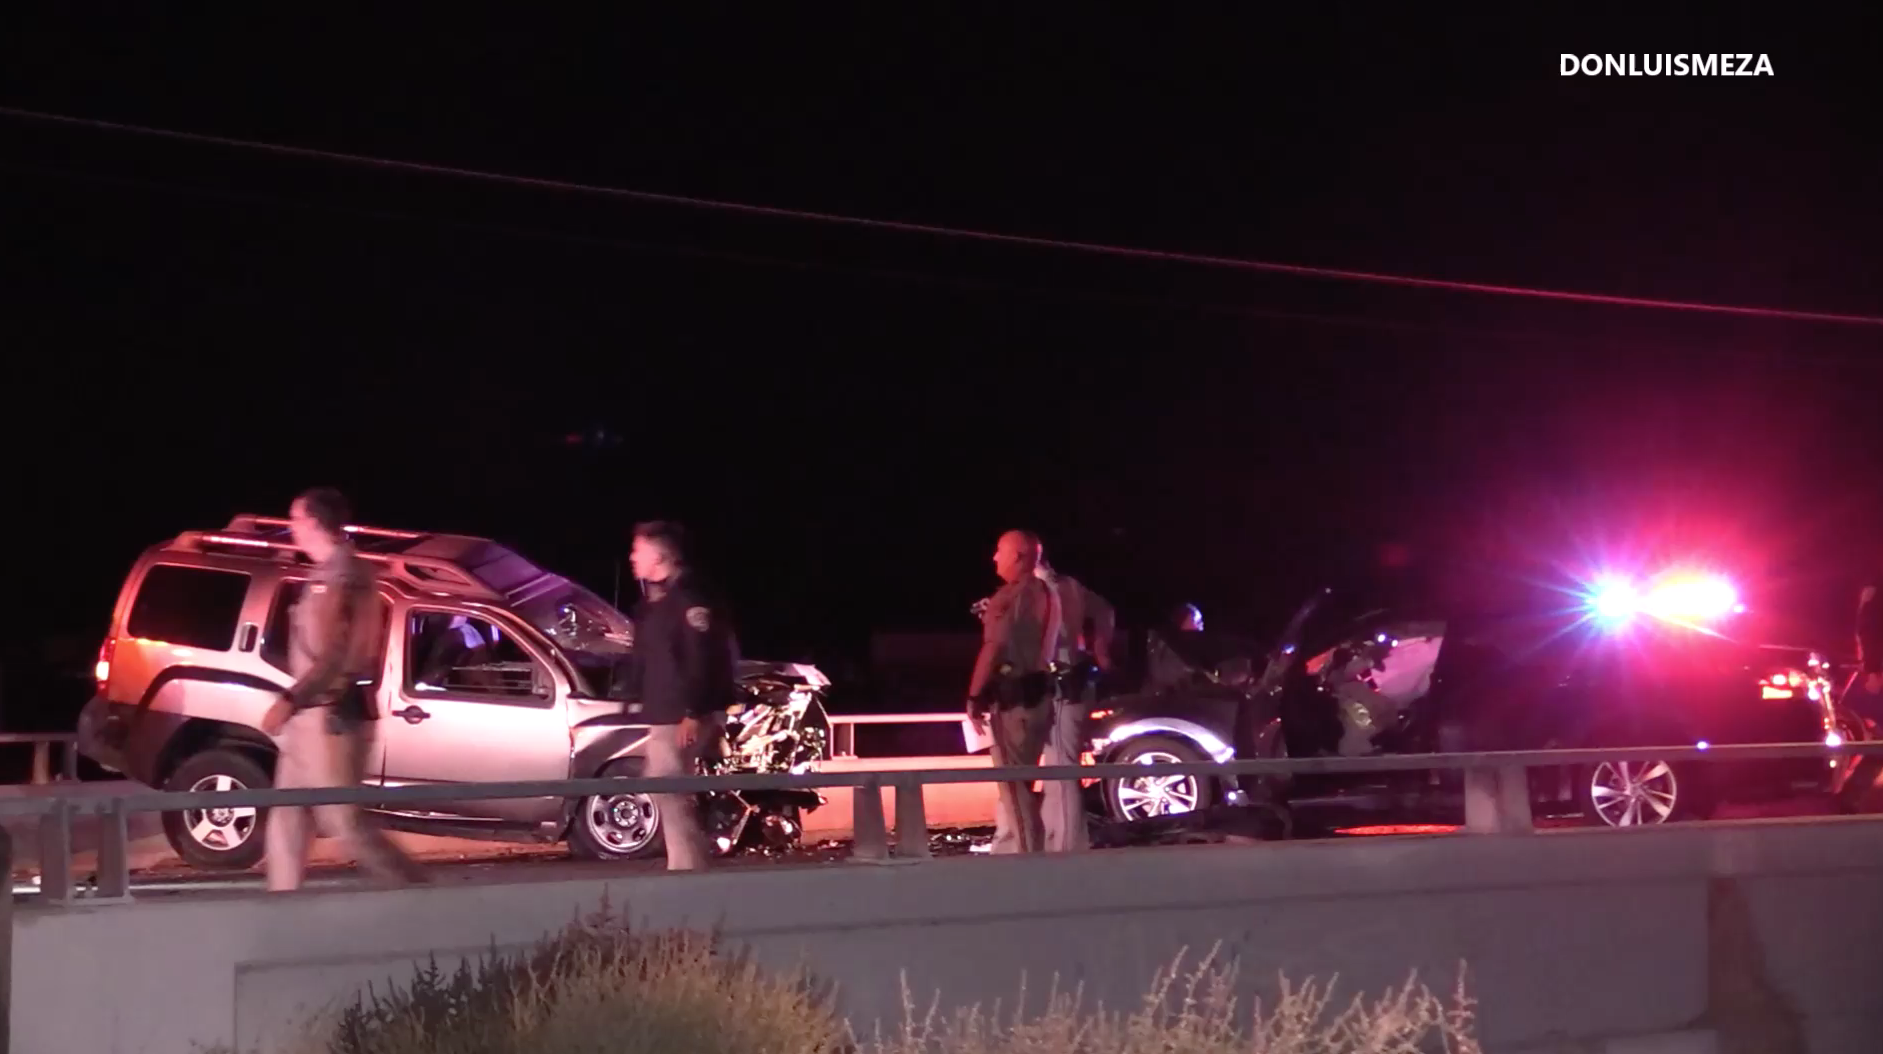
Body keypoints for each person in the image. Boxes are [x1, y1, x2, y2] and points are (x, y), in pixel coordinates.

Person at [260, 488, 426, 891]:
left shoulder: (343, 576)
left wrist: (290, 699)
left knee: (343, 823)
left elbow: (335, 653)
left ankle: (416, 892)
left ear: (315, 523)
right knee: (287, 814)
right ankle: (281, 906)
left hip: (331, 718)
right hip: (310, 718)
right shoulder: (327, 572)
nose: (291, 528)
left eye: (295, 519)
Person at [627, 520, 735, 871]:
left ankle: (688, 869)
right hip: (663, 713)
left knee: (668, 789)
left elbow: (702, 657)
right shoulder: (655, 602)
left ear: (658, 557)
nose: (631, 558)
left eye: (638, 550)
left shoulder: (689, 597)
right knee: (665, 788)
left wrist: (694, 711)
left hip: (679, 716)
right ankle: (687, 864)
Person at [968, 530, 1058, 854]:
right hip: (1040, 699)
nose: (994, 558)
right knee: (1025, 784)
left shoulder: (1009, 597)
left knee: (1014, 787)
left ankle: (1028, 859)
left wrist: (975, 696)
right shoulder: (1048, 594)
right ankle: (1030, 852)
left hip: (1014, 702)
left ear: (1018, 557)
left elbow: (995, 647)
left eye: (999, 551)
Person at [1035, 547, 1115, 853]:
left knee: (1061, 766)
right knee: (1056, 765)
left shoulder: (1047, 587)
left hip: (1062, 682)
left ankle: (1068, 844)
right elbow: (1105, 610)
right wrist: (1101, 649)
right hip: (1074, 677)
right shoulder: (1070, 584)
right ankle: (1057, 839)